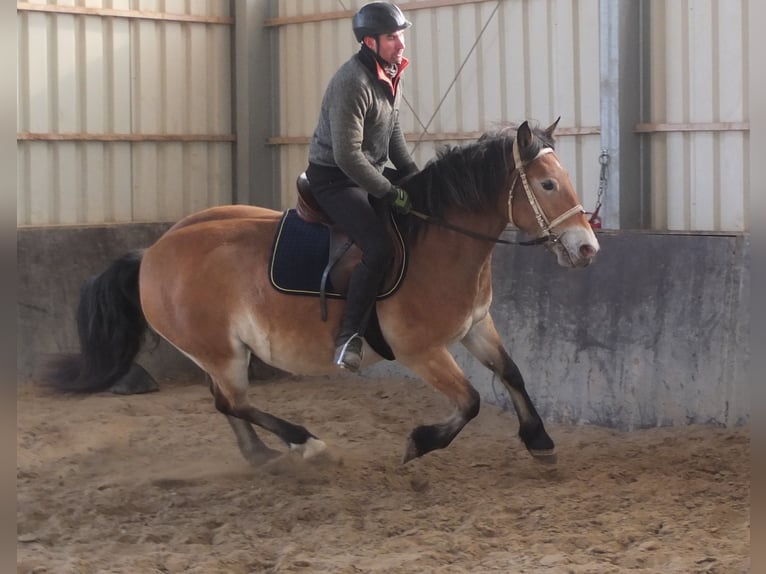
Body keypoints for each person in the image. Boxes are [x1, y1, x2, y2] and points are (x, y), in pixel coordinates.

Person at [305, 2, 418, 373]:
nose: (400, 43)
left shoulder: (390, 72)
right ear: (369, 41)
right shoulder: (351, 82)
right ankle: (349, 335)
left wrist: (414, 177)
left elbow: (392, 131)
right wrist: (388, 190)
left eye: (401, 35)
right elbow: (347, 155)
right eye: (391, 37)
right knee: (379, 247)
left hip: (368, 168)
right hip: (335, 177)